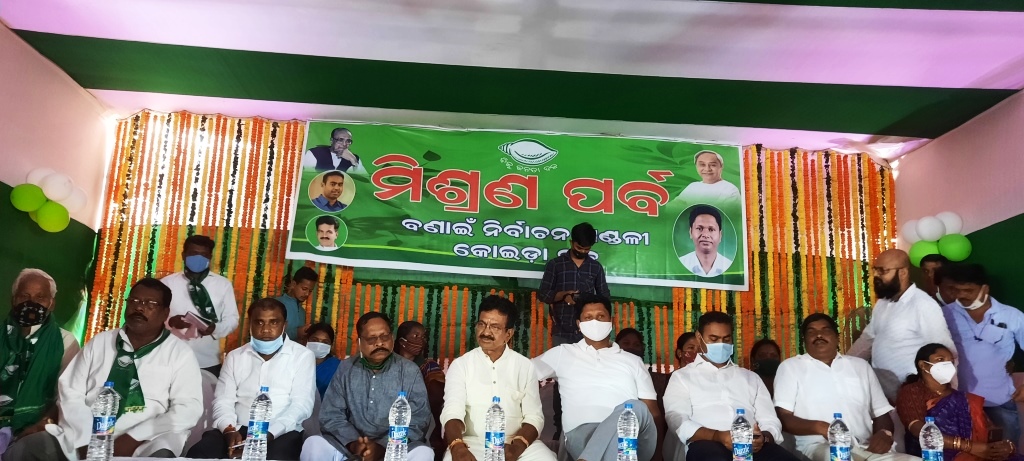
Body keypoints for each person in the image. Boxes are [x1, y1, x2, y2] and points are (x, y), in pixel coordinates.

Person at [3, 278, 203, 460]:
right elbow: (70, 391)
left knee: (160, 455)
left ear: (165, 313)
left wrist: (134, 438)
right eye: (134, 301)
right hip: (83, 436)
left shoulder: (179, 354)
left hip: (143, 443)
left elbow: (188, 409)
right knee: (25, 449)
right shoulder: (100, 342)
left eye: (150, 304)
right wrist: (85, 438)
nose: (139, 308)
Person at [533, 294, 662, 461]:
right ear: (579, 324)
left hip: (632, 436)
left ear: (612, 321)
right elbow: (521, 372)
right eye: (588, 317)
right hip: (582, 435)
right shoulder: (562, 353)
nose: (595, 322)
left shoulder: (633, 361)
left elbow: (652, 412)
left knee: (633, 408)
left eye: (601, 316)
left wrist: (659, 455)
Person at [775, 313, 915, 461]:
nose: (819, 335)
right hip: (819, 447)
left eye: (825, 330)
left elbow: (881, 413)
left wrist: (885, 433)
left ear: (837, 337)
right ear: (804, 340)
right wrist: (820, 427)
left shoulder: (860, 366)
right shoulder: (791, 367)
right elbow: (783, 417)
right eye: (811, 332)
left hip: (866, 447)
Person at [188, 298, 315, 460]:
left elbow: (301, 405)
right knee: (199, 453)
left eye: (274, 322)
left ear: (284, 325)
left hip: (280, 432)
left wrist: (269, 434)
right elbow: (223, 401)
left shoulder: (302, 356)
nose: (266, 329)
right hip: (237, 429)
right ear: (250, 325)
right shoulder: (235, 357)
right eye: (259, 322)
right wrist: (229, 431)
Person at [300, 312, 433, 461]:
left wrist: (383, 447)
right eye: (371, 338)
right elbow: (331, 415)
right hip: (350, 448)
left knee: (423, 453)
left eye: (384, 337)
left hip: (395, 449)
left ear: (392, 337)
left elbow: (419, 420)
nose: (379, 343)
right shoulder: (346, 368)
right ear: (359, 342)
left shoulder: (409, 370)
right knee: (313, 444)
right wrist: (355, 444)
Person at [664, 312, 795, 461]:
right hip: (707, 444)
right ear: (699, 338)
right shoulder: (682, 377)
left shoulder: (751, 378)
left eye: (726, 339)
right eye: (714, 339)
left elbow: (770, 419)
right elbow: (677, 419)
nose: (721, 344)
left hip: (752, 445)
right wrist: (717, 436)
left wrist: (764, 437)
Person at [442, 295, 556, 461]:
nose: (486, 332)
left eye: (495, 327)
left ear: (508, 334)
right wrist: (457, 446)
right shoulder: (461, 365)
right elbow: (452, 411)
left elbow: (534, 416)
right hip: (473, 442)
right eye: (482, 324)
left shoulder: (524, 366)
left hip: (515, 443)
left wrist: (516, 448)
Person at [848, 248, 954, 402]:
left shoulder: (923, 304)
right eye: (875, 270)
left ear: (903, 273)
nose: (876, 275)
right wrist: (843, 364)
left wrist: (948, 396)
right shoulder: (882, 303)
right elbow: (867, 339)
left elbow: (945, 351)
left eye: (883, 271)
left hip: (914, 395)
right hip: (883, 393)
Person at [939, 263, 1024, 450]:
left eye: (968, 290)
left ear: (985, 288)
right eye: (957, 290)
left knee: (1006, 453)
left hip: (1000, 401)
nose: (961, 295)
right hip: (959, 402)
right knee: (964, 455)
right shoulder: (945, 315)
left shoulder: (1012, 316)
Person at [0, 269, 81, 451]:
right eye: (24, 296)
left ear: (51, 304)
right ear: (13, 300)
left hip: (36, 429)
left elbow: (68, 396)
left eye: (40, 297)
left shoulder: (65, 342)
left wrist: (42, 424)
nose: (31, 303)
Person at [896, 343, 1020, 460]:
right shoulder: (912, 391)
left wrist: (1007, 447)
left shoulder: (963, 398)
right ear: (923, 365)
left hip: (978, 453)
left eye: (951, 361)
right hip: (934, 455)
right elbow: (919, 431)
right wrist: (969, 447)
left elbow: (991, 431)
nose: (948, 365)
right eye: (940, 359)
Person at [161, 235, 239, 377]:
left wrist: (215, 328)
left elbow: (232, 319)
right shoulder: (167, 283)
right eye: (193, 253)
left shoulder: (223, 284)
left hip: (207, 360)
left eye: (203, 255)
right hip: (170, 356)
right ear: (184, 255)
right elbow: (155, 315)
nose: (199, 258)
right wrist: (170, 322)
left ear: (210, 257)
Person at [539, 222, 611, 346]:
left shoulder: (596, 267)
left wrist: (585, 299)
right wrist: (563, 295)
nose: (582, 251)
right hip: (561, 330)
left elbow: (604, 298)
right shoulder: (556, 264)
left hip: (589, 331)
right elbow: (543, 294)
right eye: (579, 248)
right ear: (571, 242)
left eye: (587, 249)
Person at [394, 320, 445, 452]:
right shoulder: (390, 364)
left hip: (420, 416)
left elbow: (439, 391)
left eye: (423, 337)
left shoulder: (428, 365)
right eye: (416, 336)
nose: (421, 341)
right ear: (402, 341)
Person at [678, 205, 733, 277]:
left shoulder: (730, 267)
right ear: (690, 232)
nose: (705, 235)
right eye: (699, 228)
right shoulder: (680, 264)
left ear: (720, 235)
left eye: (711, 229)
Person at [675, 150, 741, 207]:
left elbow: (729, 214)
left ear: (721, 166)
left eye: (713, 165)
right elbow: (674, 206)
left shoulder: (730, 190)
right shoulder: (693, 186)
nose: (707, 169)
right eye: (702, 165)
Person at [275, 266, 319, 340]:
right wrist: (297, 332)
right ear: (293, 284)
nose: (307, 294)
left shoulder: (302, 312)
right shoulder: (276, 305)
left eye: (310, 291)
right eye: (304, 289)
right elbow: (269, 335)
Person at [302, 128, 367, 173]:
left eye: (348, 141)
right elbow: (307, 176)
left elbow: (365, 181)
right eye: (340, 140)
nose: (344, 144)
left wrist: (354, 161)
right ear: (332, 140)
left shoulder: (354, 157)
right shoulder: (314, 153)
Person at [305, 323, 342, 399]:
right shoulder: (297, 362)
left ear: (331, 345)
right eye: (314, 340)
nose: (319, 345)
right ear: (307, 340)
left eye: (325, 342)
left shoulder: (337, 366)